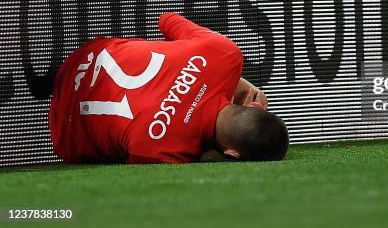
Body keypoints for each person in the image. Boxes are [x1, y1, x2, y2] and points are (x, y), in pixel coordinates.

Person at [47, 12, 289, 163]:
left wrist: (228, 80)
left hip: (83, 57)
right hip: (63, 132)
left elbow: (167, 19)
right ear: (232, 154)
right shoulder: (166, 152)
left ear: (255, 105)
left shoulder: (226, 54)